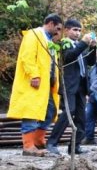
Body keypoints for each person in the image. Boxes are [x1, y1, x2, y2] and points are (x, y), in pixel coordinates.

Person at [7, 13, 63, 157]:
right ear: (50, 23)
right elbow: (27, 56)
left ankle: (38, 141)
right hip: (35, 83)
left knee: (50, 111)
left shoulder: (50, 41)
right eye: (57, 28)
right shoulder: (34, 35)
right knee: (31, 113)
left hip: (47, 85)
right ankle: (28, 146)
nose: (58, 32)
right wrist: (34, 75)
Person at [46, 19, 97, 155]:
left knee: (81, 117)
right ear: (67, 30)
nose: (77, 33)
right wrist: (84, 43)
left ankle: (75, 146)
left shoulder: (80, 46)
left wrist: (92, 47)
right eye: (75, 30)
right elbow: (69, 57)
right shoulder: (64, 44)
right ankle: (51, 143)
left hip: (82, 86)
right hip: (69, 85)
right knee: (68, 113)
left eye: (79, 30)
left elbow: (91, 62)